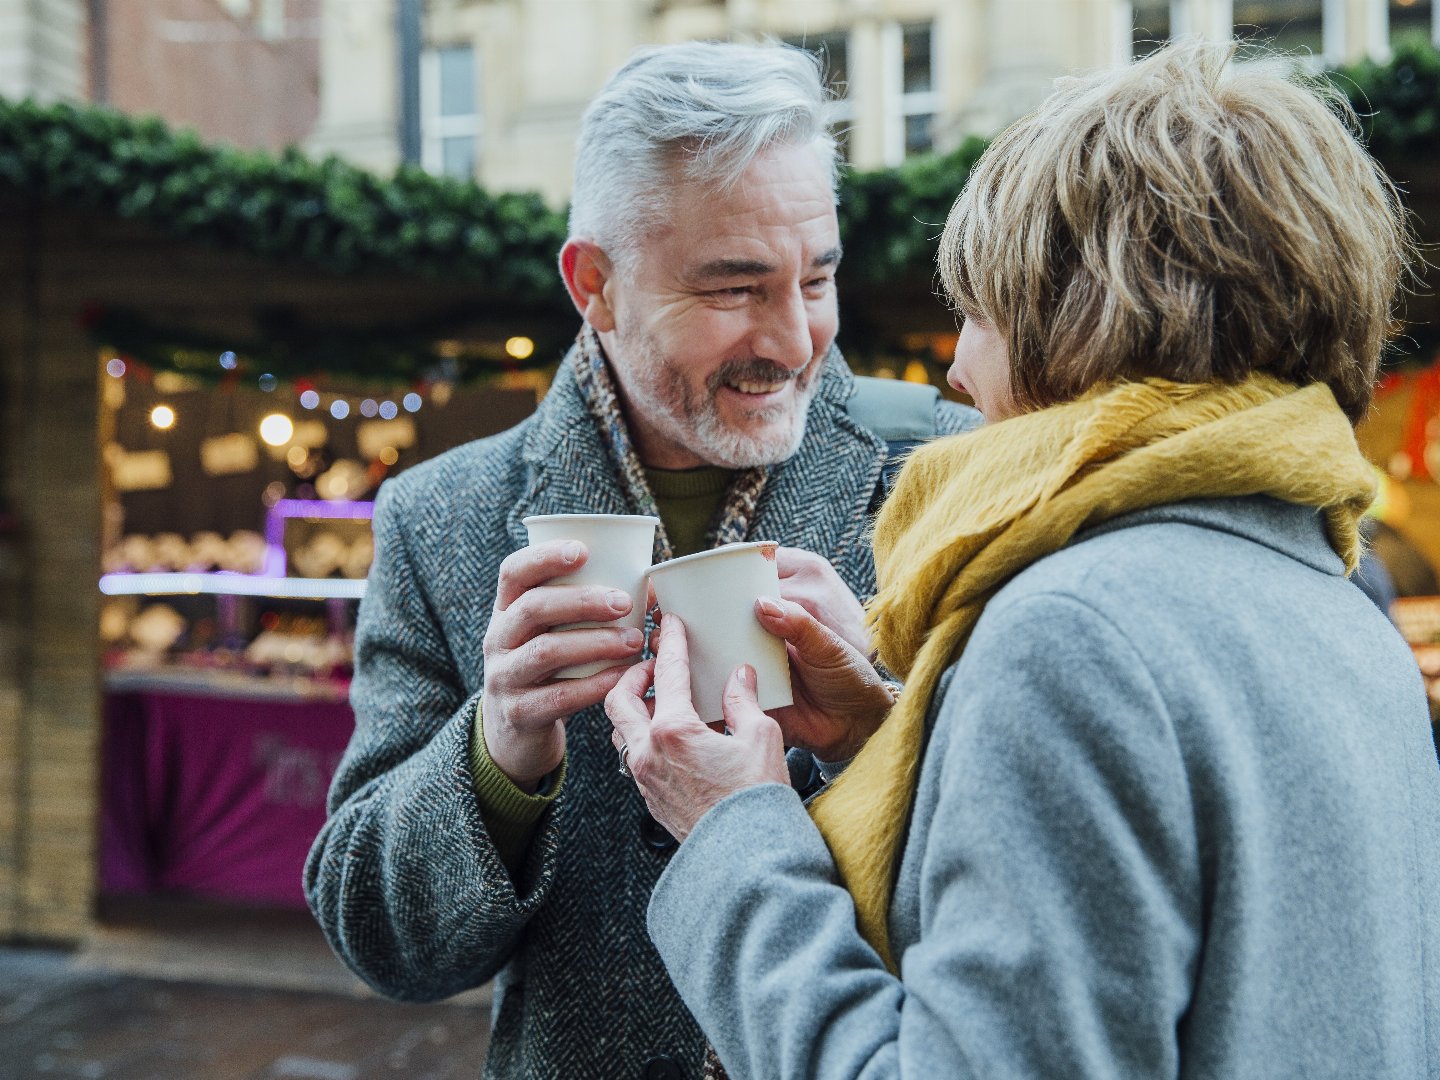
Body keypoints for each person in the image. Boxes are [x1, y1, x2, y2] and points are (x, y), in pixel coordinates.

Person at [607, 40, 1440, 1079]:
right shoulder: (1337, 596)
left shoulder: (1075, 632)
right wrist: (887, 733)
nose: (955, 364)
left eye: (978, 307)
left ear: (1077, 319)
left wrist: (733, 830)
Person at [303, 39, 978, 1080]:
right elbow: (379, 942)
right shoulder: (444, 515)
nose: (795, 337)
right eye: (736, 288)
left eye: (819, 275)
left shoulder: (943, 474)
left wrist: (868, 742)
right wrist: (497, 750)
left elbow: (1025, 876)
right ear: (596, 285)